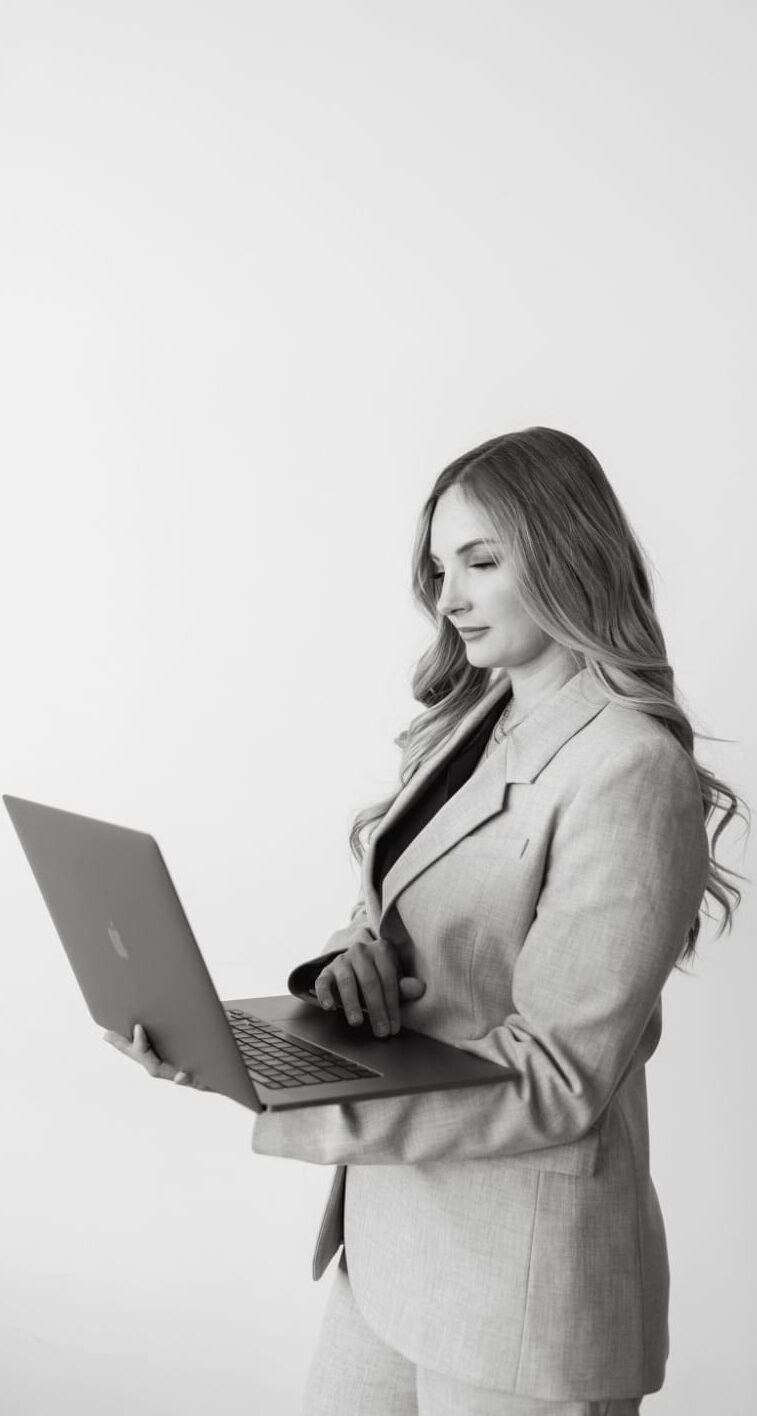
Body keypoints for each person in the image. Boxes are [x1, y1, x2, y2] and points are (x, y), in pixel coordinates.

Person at [105, 428, 748, 1416]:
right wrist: (347, 965)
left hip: (520, 1290)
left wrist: (294, 1094)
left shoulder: (625, 766)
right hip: (390, 1244)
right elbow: (389, 908)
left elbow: (558, 1077)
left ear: (568, 553)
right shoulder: (466, 720)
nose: (448, 598)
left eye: (481, 562)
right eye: (440, 568)